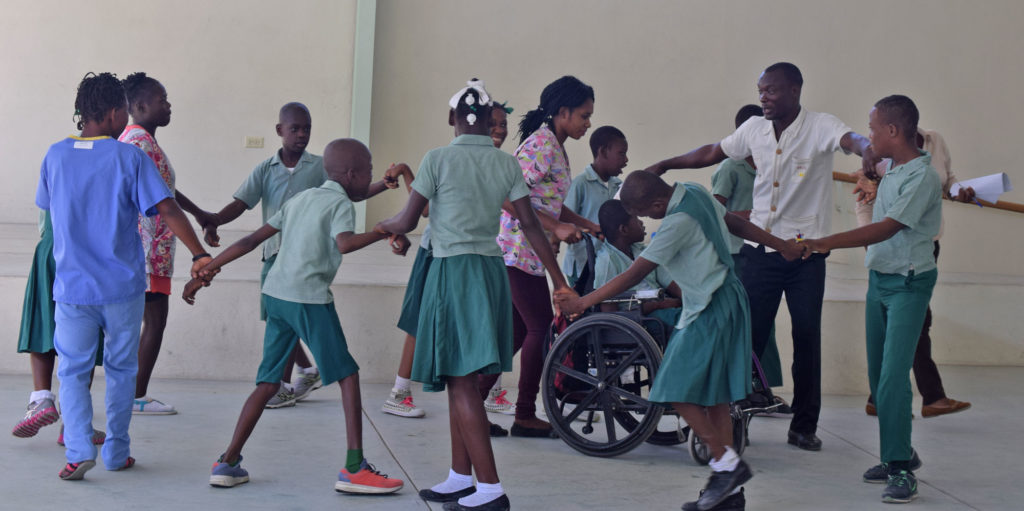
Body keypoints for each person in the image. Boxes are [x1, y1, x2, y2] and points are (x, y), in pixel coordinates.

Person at [646, 62, 879, 451]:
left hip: (807, 256)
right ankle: (735, 423)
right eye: (760, 91)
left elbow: (850, 138)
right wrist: (668, 162)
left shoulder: (820, 125)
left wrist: (868, 149)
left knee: (806, 340)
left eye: (771, 90)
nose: (764, 98)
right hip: (761, 253)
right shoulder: (753, 129)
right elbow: (711, 151)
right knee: (745, 339)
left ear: (794, 90)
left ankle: (804, 426)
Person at [375, 79, 573, 511]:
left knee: (462, 382)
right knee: (458, 380)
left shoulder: (436, 159)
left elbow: (407, 221)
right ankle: (459, 477)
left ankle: (490, 489)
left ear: (451, 120)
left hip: (452, 274)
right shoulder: (505, 165)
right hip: (489, 271)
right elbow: (532, 226)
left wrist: (379, 229)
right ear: (488, 122)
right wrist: (558, 279)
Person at [556, 171, 803, 511]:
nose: (645, 220)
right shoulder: (694, 191)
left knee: (672, 387)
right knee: (715, 396)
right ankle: (729, 498)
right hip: (727, 297)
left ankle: (727, 465)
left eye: (646, 213)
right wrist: (782, 246)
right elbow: (734, 222)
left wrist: (583, 303)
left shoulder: (677, 222)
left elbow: (635, 273)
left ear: (659, 203)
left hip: (709, 305)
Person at [185, 138, 408, 494]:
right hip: (309, 300)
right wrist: (382, 232)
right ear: (351, 174)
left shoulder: (300, 199)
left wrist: (207, 270)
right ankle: (354, 468)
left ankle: (227, 461)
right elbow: (345, 244)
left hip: (275, 295)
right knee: (348, 375)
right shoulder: (340, 205)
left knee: (268, 382)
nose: (369, 178)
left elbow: (250, 241)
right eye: (367, 172)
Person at [36, 72, 211, 480]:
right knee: (120, 370)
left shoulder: (54, 156)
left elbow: (46, 216)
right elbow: (166, 209)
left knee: (73, 372)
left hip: (73, 289)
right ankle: (116, 452)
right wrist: (199, 253)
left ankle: (79, 450)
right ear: (115, 113)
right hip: (122, 289)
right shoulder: (128, 157)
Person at [202, 103, 401, 408]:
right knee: (278, 318)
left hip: (307, 260)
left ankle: (286, 382)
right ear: (280, 131)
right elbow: (242, 204)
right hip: (275, 256)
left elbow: (352, 191)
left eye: (306, 128)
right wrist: (215, 220)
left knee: (284, 320)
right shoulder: (265, 169)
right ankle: (303, 372)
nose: (302, 134)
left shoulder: (323, 166)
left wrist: (382, 186)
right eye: (295, 128)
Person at [801, 95, 942, 504]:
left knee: (893, 378)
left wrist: (822, 242)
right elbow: (872, 166)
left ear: (894, 131)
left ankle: (900, 468)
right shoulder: (893, 167)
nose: (869, 136)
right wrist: (869, 165)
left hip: (909, 284)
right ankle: (899, 452)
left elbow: (886, 228)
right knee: (878, 376)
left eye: (874, 129)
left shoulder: (922, 177)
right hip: (879, 280)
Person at [485, 75, 599, 438]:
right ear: (562, 112)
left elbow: (545, 201)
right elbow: (503, 193)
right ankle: (524, 414)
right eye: (583, 115)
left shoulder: (555, 145)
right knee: (539, 328)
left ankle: (471, 402)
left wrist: (586, 224)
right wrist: (555, 226)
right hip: (516, 249)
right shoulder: (542, 145)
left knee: (517, 333)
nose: (588, 123)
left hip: (530, 254)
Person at [853, 129, 973, 419]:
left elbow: (948, 180)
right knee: (909, 323)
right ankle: (926, 397)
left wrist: (959, 191)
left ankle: (885, 396)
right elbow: (864, 204)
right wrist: (869, 245)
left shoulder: (934, 144)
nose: (871, 133)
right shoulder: (878, 154)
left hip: (926, 246)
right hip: (891, 250)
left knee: (913, 323)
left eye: (875, 125)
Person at [119, 72, 214, 415]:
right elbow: (162, 201)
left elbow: (165, 190)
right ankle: (135, 396)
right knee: (154, 322)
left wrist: (201, 214)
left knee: (145, 323)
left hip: (150, 248)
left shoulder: (140, 140)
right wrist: (198, 251)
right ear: (141, 106)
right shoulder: (140, 142)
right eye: (162, 100)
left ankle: (130, 394)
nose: (168, 105)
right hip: (148, 249)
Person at [710, 104, 789, 412]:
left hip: (763, 252)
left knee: (762, 324)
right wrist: (750, 217)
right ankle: (741, 389)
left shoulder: (772, 165)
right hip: (734, 253)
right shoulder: (731, 167)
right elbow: (714, 211)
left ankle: (764, 388)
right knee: (743, 323)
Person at [12, 209, 105, 446]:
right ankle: (74, 425)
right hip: (88, 253)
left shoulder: (54, 170)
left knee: (44, 320)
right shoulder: (108, 171)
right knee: (86, 333)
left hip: (51, 248)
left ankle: (41, 399)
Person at [593, 199, 682, 332]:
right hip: (640, 320)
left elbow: (669, 282)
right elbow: (610, 314)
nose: (641, 222)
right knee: (688, 323)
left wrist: (689, 298)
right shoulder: (607, 261)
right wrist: (656, 306)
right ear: (624, 229)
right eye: (636, 219)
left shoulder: (640, 250)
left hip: (661, 306)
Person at [561, 126, 627, 286]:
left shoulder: (619, 186)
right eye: (621, 154)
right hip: (583, 265)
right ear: (603, 152)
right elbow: (564, 219)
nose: (626, 160)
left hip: (608, 265)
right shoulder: (581, 184)